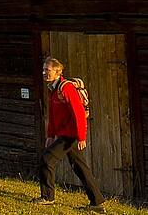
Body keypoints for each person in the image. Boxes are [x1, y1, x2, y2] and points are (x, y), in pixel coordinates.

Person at [36, 56, 104, 209]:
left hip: (71, 134)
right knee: (79, 167)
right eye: (44, 69)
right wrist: (50, 135)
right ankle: (97, 202)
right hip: (64, 133)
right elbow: (53, 116)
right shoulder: (53, 89)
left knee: (47, 159)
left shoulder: (66, 88)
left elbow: (78, 113)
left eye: (47, 70)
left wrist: (81, 137)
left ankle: (47, 197)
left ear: (58, 72)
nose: (44, 73)